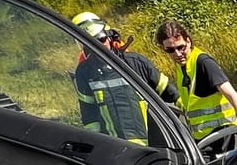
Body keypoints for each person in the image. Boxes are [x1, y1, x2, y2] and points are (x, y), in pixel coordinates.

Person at [71, 12, 167, 144]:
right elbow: (89, 115)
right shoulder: (85, 72)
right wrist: (97, 144)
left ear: (110, 36)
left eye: (101, 39)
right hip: (115, 147)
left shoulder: (135, 63)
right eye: (90, 43)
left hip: (152, 146)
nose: (98, 46)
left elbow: (169, 93)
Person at [157, 20, 237, 141]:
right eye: (170, 50)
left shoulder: (204, 62)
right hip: (204, 137)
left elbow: (230, 92)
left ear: (188, 41)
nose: (177, 54)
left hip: (223, 134)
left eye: (181, 47)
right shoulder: (182, 66)